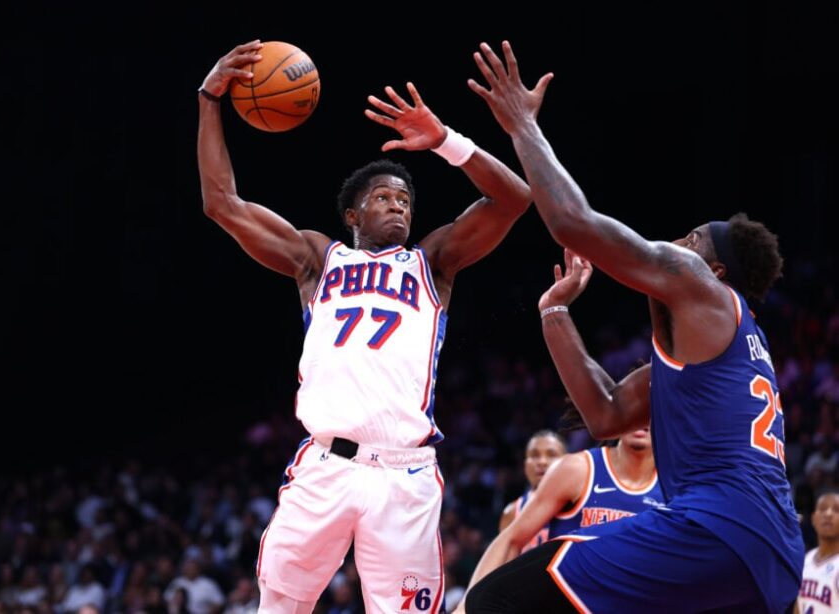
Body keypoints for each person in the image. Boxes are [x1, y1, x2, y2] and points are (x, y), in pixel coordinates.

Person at [462, 41, 804, 612]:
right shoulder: (722, 355)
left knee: (500, 598)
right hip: (770, 557)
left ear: (715, 269)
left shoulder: (702, 286)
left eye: (693, 239)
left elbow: (572, 221)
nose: (677, 243)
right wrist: (555, 312)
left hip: (718, 528)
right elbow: (606, 414)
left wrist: (523, 126)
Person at [197, 40, 532, 613]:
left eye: (404, 198)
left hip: (405, 475)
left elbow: (513, 199)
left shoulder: (433, 262)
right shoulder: (317, 259)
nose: (398, 206)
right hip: (326, 464)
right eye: (383, 197)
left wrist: (447, 141)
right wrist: (209, 99)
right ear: (352, 216)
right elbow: (222, 203)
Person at [454, 254, 664, 614]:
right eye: (638, 409)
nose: (643, 420)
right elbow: (510, 541)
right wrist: (466, 609)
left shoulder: (678, 485)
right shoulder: (577, 471)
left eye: (653, 411)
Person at [498, 429, 567, 540]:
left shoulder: (583, 507)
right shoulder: (511, 513)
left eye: (551, 455)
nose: (542, 462)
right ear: (525, 465)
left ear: (567, 462)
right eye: (534, 456)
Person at [797, 491, 839, 613]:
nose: (828, 514)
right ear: (814, 519)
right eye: (823, 509)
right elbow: (799, 606)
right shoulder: (807, 559)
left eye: (836, 510)